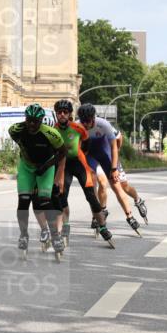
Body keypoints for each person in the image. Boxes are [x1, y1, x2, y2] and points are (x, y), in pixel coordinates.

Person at [50, 99, 113, 248]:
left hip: (79, 163)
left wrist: (80, 154)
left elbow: (86, 144)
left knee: (91, 196)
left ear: (70, 114)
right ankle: (65, 226)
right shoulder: (53, 130)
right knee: (61, 196)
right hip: (63, 165)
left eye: (65, 112)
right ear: (56, 114)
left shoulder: (78, 128)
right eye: (59, 112)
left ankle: (102, 226)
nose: (62, 115)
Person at [9, 103, 67, 259]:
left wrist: (47, 165)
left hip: (46, 167)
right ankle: (23, 235)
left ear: (42, 120)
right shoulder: (15, 130)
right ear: (25, 118)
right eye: (29, 120)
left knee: (44, 201)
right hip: (27, 168)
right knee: (23, 201)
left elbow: (63, 152)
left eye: (36, 121)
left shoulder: (51, 133)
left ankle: (56, 237)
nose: (32, 124)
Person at [77, 103, 142, 236]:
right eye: (83, 121)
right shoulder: (77, 125)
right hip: (90, 155)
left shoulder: (104, 124)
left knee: (117, 186)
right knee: (93, 184)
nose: (86, 124)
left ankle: (130, 216)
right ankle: (97, 214)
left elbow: (114, 147)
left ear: (93, 118)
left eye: (88, 121)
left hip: (105, 152)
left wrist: (114, 168)